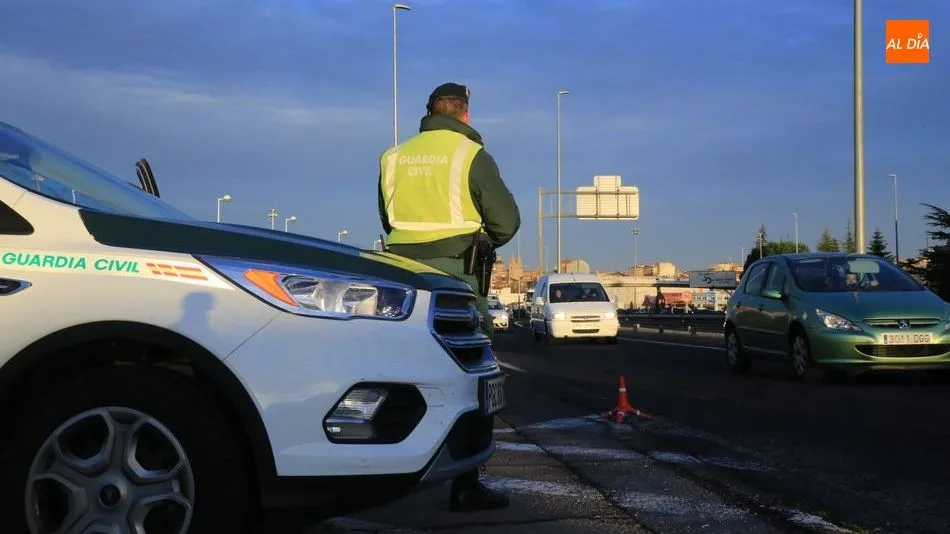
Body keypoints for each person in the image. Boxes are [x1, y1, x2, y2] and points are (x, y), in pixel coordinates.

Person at [376, 82, 520, 512]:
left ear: (430, 113)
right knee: (473, 375)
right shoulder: (471, 155)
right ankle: (466, 483)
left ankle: (385, 473)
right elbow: (506, 222)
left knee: (397, 372)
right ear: (465, 115)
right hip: (457, 281)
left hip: (400, 280)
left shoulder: (393, 157)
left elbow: (389, 218)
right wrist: (475, 242)